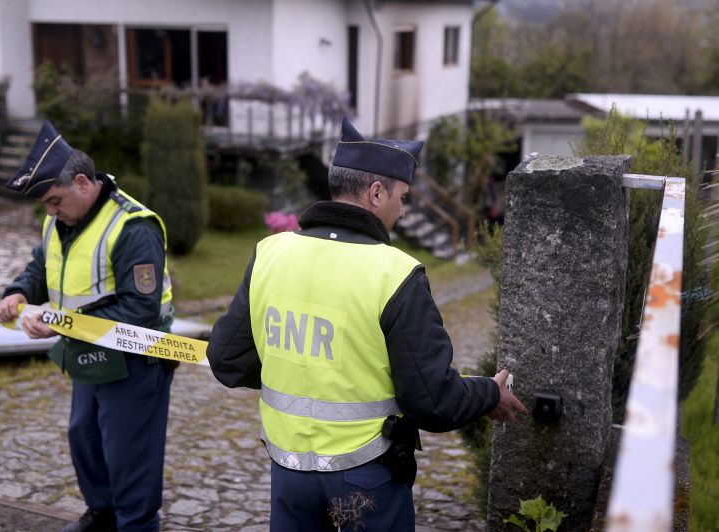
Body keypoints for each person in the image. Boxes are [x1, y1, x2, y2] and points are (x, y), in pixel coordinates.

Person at [206, 117, 529, 531]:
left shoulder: (270, 252)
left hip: (288, 471)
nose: (403, 208)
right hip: (364, 476)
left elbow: (227, 359)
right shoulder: (395, 273)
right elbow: (432, 400)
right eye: (403, 197)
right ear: (376, 193)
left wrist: (296, 371)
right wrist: (489, 393)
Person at [0, 121, 177, 532]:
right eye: (45, 204)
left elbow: (140, 309)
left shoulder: (133, 227)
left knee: (129, 453)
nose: (50, 211)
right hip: (86, 356)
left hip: (135, 360)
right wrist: (18, 292)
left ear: (81, 182)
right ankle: (102, 515)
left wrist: (60, 323)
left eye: (55, 200)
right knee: (85, 440)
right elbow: (41, 265)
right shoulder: (59, 219)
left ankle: (138, 524)